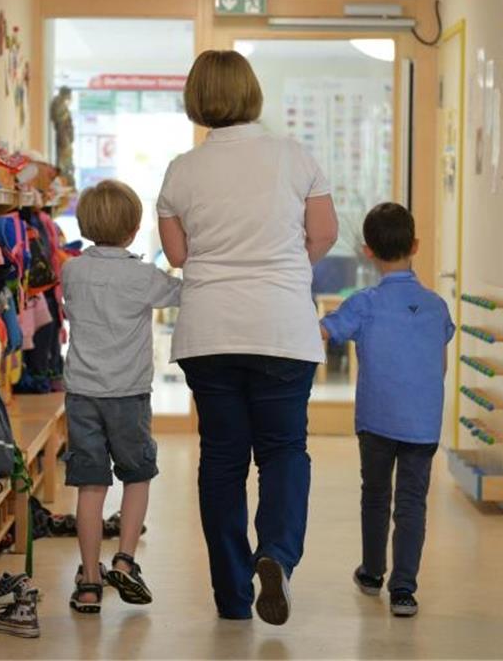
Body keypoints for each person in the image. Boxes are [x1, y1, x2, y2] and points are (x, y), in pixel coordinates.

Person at [157, 49, 339, 624]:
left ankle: (233, 596)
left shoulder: (182, 170)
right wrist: (283, 268)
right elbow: (324, 234)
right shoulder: (295, 157)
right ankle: (277, 556)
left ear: (197, 98)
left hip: (209, 332)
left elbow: (179, 255)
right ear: (252, 92)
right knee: (284, 451)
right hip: (282, 328)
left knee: (223, 460)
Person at [320, 202, 455, 618]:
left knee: (376, 494)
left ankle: (373, 572)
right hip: (423, 423)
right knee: (413, 501)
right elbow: (441, 360)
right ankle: (404, 590)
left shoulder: (364, 304)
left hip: (377, 421)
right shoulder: (436, 306)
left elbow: (323, 333)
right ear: (414, 245)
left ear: (367, 251)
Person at [61, 179, 182, 615]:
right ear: (134, 230)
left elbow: (71, 310)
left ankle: (89, 581)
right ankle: (126, 561)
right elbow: (182, 294)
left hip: (82, 395)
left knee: (90, 487)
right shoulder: (142, 275)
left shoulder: (71, 270)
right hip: (129, 395)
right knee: (137, 475)